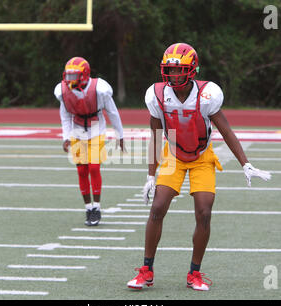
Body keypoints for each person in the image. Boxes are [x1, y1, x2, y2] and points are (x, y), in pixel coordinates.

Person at [127, 43, 271, 291]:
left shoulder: (207, 94)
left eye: (179, 70)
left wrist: (245, 164)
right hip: (173, 155)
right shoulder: (157, 94)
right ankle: (146, 270)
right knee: (158, 206)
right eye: (169, 71)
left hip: (202, 157)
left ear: (191, 70)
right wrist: (151, 175)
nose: (173, 75)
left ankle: (194, 273)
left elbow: (226, 131)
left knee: (204, 211)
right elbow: (155, 136)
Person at [54, 57, 125, 226]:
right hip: (77, 129)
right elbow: (65, 116)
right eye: (68, 76)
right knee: (81, 171)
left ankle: (97, 207)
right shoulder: (62, 91)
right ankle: (88, 208)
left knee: (94, 167)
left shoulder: (100, 89)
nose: (69, 80)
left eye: (74, 76)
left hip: (96, 128)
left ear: (84, 75)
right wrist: (66, 137)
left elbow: (113, 112)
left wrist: (119, 135)